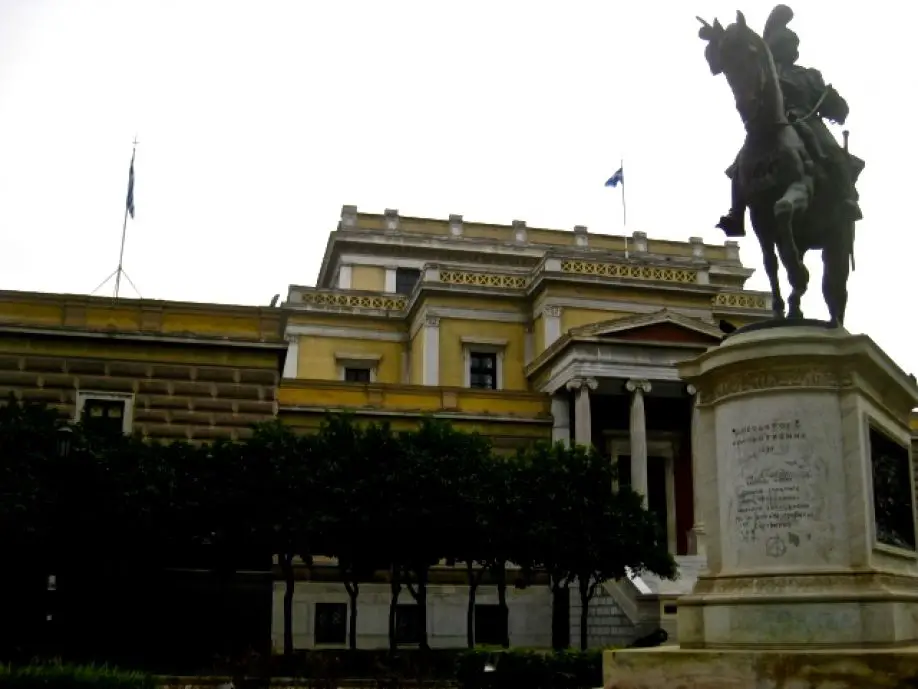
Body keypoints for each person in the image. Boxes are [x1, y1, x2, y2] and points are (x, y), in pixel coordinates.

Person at [717, 5, 862, 238]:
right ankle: (736, 213)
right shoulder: (766, 73)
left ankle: (847, 199)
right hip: (775, 123)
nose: (793, 49)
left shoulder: (809, 75)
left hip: (807, 120)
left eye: (794, 45)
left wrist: (835, 102)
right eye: (789, 45)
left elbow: (837, 108)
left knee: (833, 153)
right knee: (740, 166)